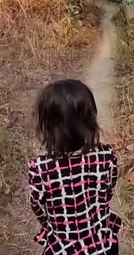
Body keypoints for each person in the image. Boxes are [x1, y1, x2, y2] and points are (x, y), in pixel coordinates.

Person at [28, 79, 121, 255]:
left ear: (48, 126)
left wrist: (52, 226)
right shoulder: (107, 156)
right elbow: (108, 191)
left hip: (62, 247)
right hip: (102, 243)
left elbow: (37, 205)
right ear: (90, 120)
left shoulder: (40, 168)